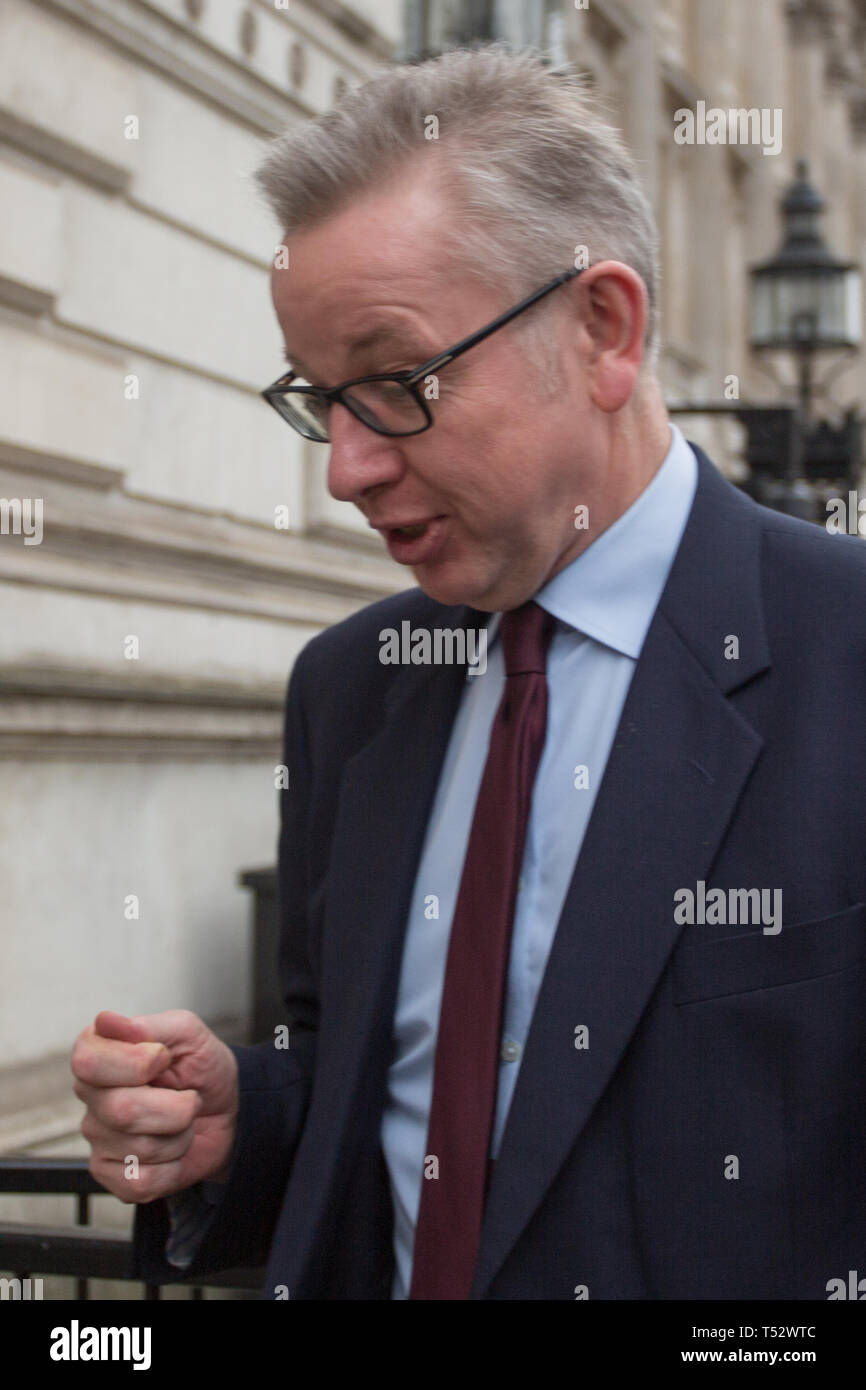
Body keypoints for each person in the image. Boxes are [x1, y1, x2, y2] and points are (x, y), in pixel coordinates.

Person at [71, 46, 866, 1301]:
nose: (343, 471)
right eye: (319, 400)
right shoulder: (349, 688)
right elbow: (367, 1075)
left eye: (393, 383)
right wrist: (244, 1118)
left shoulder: (840, 651)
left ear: (600, 329)